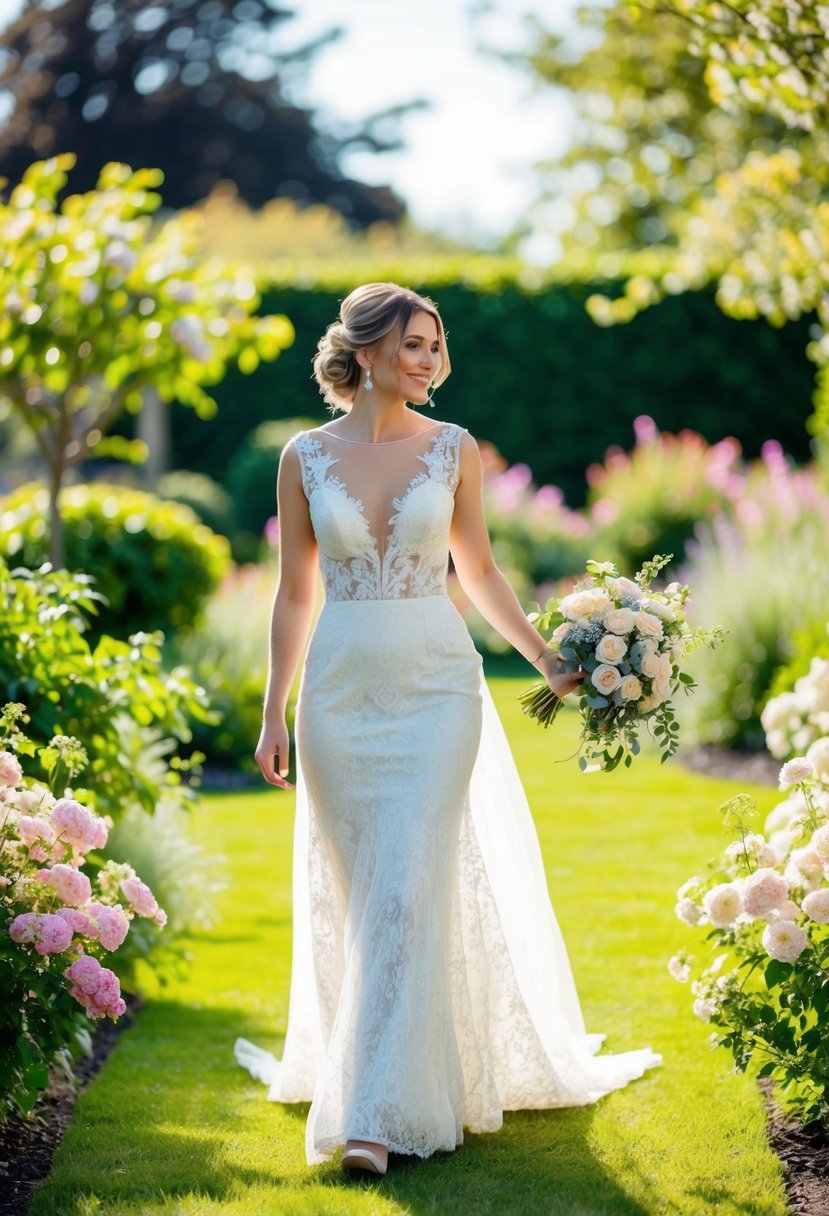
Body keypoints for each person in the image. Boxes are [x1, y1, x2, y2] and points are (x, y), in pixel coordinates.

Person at [233, 282, 660, 1175]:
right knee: (364, 898)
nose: (432, 360)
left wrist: (545, 658)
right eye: (415, 343)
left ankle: (372, 1119)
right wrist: (274, 708)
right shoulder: (302, 457)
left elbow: (481, 573)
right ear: (368, 349)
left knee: (406, 889)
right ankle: (385, 1072)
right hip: (340, 696)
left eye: (436, 345)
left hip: (436, 691)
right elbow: (295, 591)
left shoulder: (453, 451)